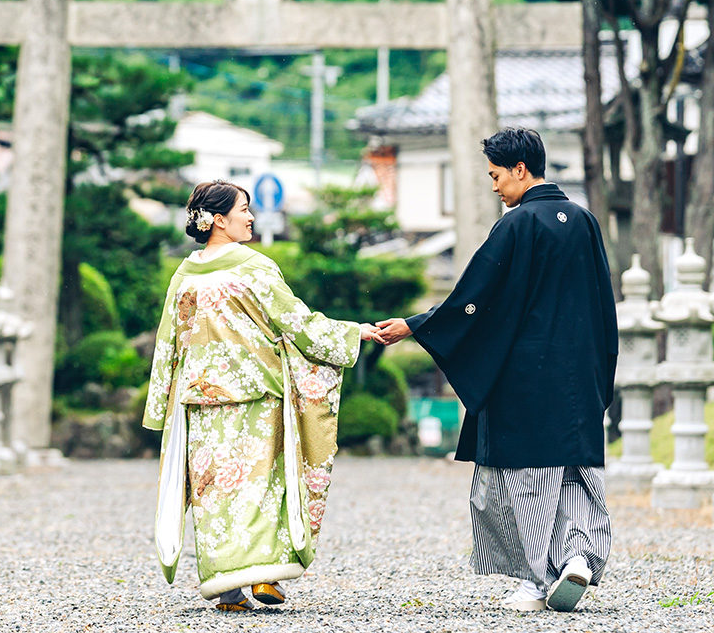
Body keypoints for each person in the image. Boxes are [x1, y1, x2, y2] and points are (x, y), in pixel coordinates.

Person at [376, 128, 617, 613]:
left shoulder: (517, 225)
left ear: (520, 170)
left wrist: (417, 326)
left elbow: (476, 303)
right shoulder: (585, 222)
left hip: (526, 377)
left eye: (495, 176)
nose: (494, 187)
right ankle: (577, 554)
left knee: (525, 478)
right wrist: (598, 370)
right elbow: (602, 304)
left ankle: (536, 580)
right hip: (579, 373)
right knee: (574, 471)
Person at [144, 179, 381, 612]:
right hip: (256, 395)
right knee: (264, 486)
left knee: (213, 491)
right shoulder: (254, 267)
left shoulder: (185, 274)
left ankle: (228, 587)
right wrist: (353, 333)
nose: (251, 217)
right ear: (218, 219)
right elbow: (297, 323)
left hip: (202, 399)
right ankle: (265, 575)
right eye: (243, 209)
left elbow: (169, 341)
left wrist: (160, 403)